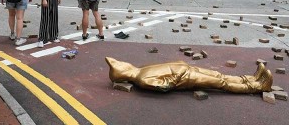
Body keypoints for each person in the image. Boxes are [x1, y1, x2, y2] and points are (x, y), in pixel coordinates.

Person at [105, 57, 272, 93]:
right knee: (221, 83)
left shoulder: (141, 67)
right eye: (121, 65)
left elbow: (165, 65)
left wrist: (180, 64)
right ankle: (257, 86)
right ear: (124, 72)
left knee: (220, 75)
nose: (124, 62)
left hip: (188, 69)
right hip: (188, 78)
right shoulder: (142, 79)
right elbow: (165, 86)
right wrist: (180, 73)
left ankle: (251, 78)